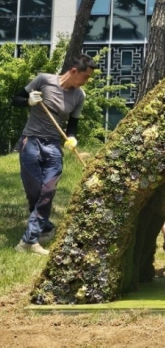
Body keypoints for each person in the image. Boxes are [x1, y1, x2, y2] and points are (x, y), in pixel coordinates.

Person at [12, 54, 98, 256]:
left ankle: (28, 242)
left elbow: (72, 126)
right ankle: (46, 227)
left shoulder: (79, 96)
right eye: (85, 77)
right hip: (30, 141)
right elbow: (16, 99)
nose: (86, 81)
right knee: (35, 192)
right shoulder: (44, 80)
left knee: (48, 191)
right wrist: (29, 102)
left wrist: (72, 138)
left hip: (53, 146)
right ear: (74, 71)